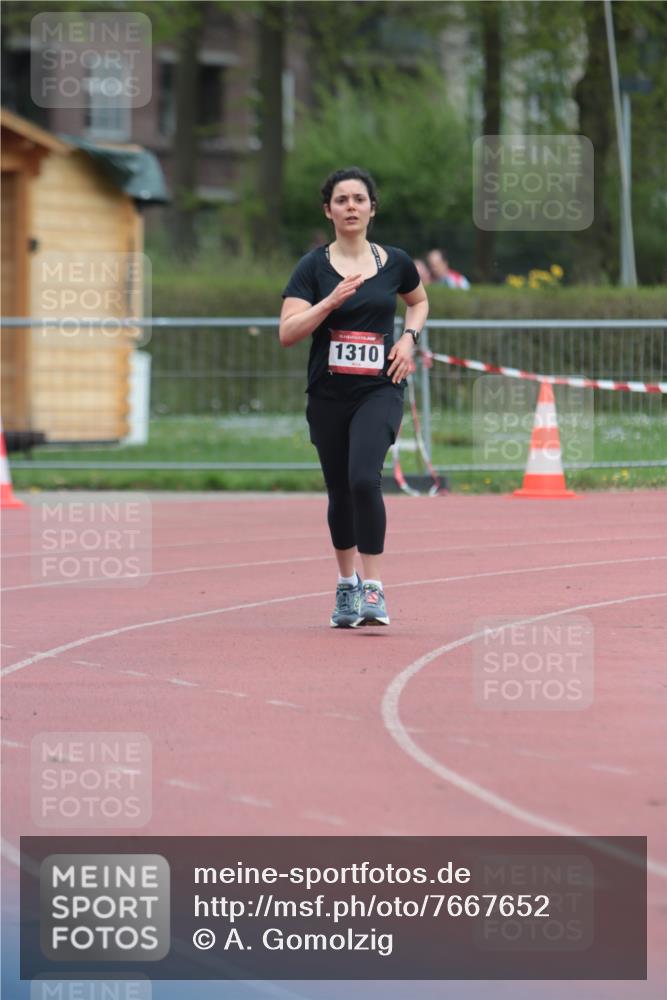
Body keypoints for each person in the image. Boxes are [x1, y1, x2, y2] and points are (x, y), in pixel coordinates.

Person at [279, 166, 429, 628]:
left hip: (379, 388)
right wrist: (328, 304)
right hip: (329, 393)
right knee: (340, 490)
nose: (350, 207)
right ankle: (346, 586)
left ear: (371, 209)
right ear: (328, 211)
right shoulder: (312, 267)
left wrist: (409, 339)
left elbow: (419, 302)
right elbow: (287, 333)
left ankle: (374, 590)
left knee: (365, 479)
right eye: (341, 200)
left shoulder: (397, 262)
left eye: (358, 199)